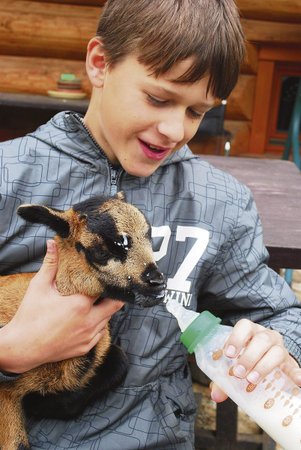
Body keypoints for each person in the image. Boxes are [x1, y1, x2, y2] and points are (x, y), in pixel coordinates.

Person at [0, 0, 300, 448]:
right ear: (100, 63)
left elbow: (278, 312)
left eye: (197, 112)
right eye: (158, 98)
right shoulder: (9, 177)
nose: (175, 129)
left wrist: (281, 345)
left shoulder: (219, 203)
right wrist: (11, 351)